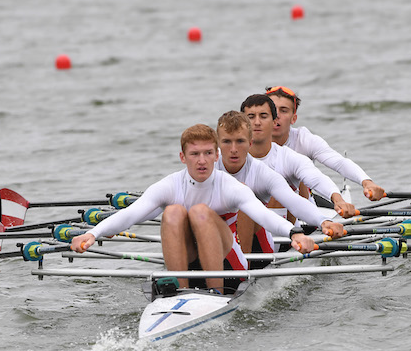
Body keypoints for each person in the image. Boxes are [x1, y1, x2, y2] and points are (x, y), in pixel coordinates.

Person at [70, 124, 316, 292]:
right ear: (182, 157)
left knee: (199, 212)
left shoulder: (230, 186)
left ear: (216, 156)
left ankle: (215, 293)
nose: (201, 161)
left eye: (208, 153)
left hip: (230, 268)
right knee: (173, 212)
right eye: (195, 154)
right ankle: (182, 290)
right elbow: (131, 213)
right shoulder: (170, 185)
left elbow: (262, 214)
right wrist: (93, 234)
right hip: (191, 260)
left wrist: (294, 234)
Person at [215, 110, 346, 255]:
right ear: (217, 144)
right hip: (218, 237)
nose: (233, 149)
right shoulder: (206, 169)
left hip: (257, 248)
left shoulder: (263, 173)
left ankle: (243, 269)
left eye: (240, 141)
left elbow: (293, 202)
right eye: (227, 142)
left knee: (241, 192)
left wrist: (323, 221)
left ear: (250, 143)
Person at [240, 94, 357, 220]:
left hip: (288, 226)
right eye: (251, 117)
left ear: (274, 122)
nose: (257, 122)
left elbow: (317, 178)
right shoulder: (228, 155)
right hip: (246, 225)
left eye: (263, 116)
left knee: (279, 186)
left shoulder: (289, 156)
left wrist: (337, 199)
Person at [265, 85, 386, 201]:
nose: (277, 115)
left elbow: (339, 163)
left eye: (284, 110)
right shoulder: (249, 141)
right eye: (273, 110)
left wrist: (366, 182)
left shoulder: (304, 140)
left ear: (293, 119)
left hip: (300, 204)